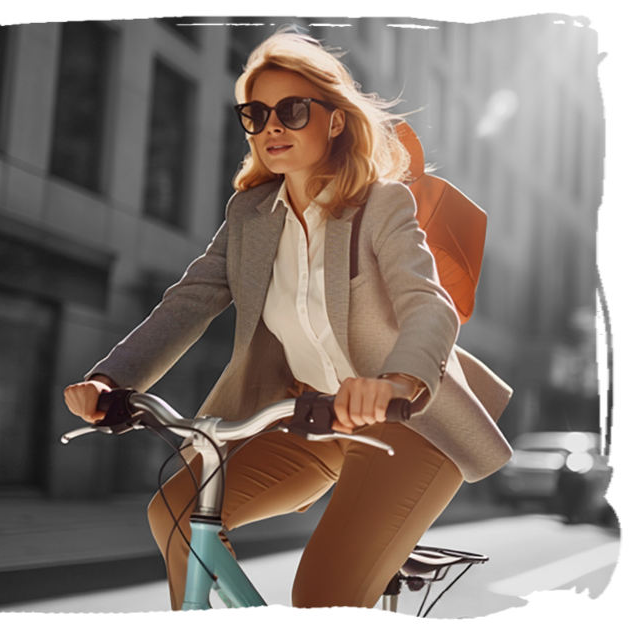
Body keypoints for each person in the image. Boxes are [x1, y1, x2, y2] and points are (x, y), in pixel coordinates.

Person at [63, 27, 513, 611]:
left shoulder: (381, 205)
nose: (271, 126)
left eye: (292, 110)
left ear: (333, 121)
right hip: (310, 418)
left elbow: (428, 302)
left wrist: (398, 380)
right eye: (256, 113)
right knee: (175, 514)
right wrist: (113, 382)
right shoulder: (250, 215)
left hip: (407, 425)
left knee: (323, 594)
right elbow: (188, 301)